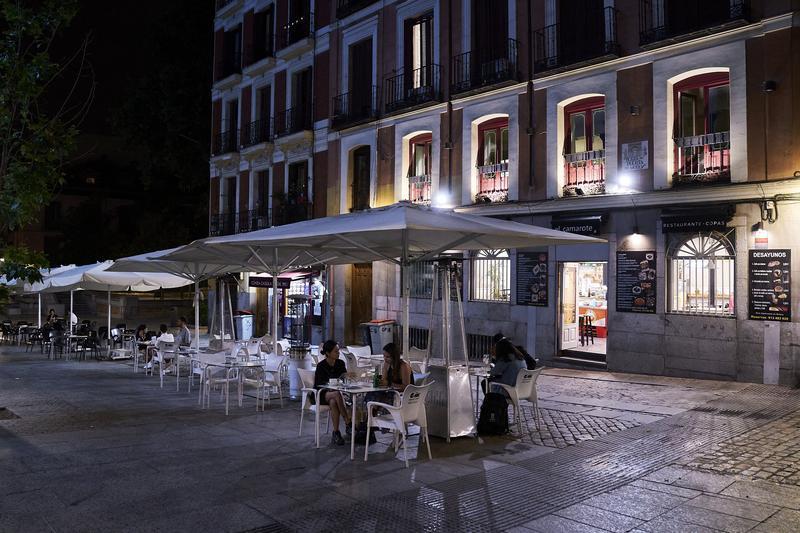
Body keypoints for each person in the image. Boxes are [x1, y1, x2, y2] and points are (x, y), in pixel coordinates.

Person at [313, 340, 351, 445]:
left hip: (336, 394)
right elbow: (319, 384)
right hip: (321, 393)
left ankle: (336, 433)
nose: (338, 353)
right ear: (328, 353)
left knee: (334, 402)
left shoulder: (340, 363)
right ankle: (347, 421)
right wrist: (332, 385)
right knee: (336, 394)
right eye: (336, 351)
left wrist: (346, 376)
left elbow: (343, 378)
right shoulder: (321, 366)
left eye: (338, 351)